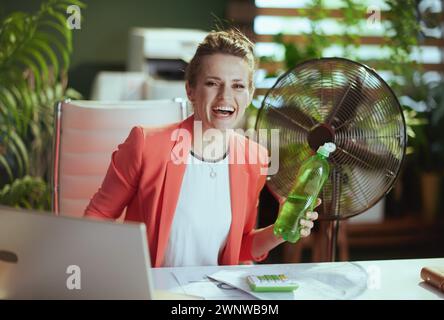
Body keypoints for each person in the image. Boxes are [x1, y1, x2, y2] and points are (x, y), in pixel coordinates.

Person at [84, 29, 319, 267]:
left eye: (238, 86)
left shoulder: (253, 158)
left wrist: (279, 231)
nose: (225, 96)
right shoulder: (146, 145)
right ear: (190, 90)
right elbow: (97, 217)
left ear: (248, 96)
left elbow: (238, 249)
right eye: (212, 83)